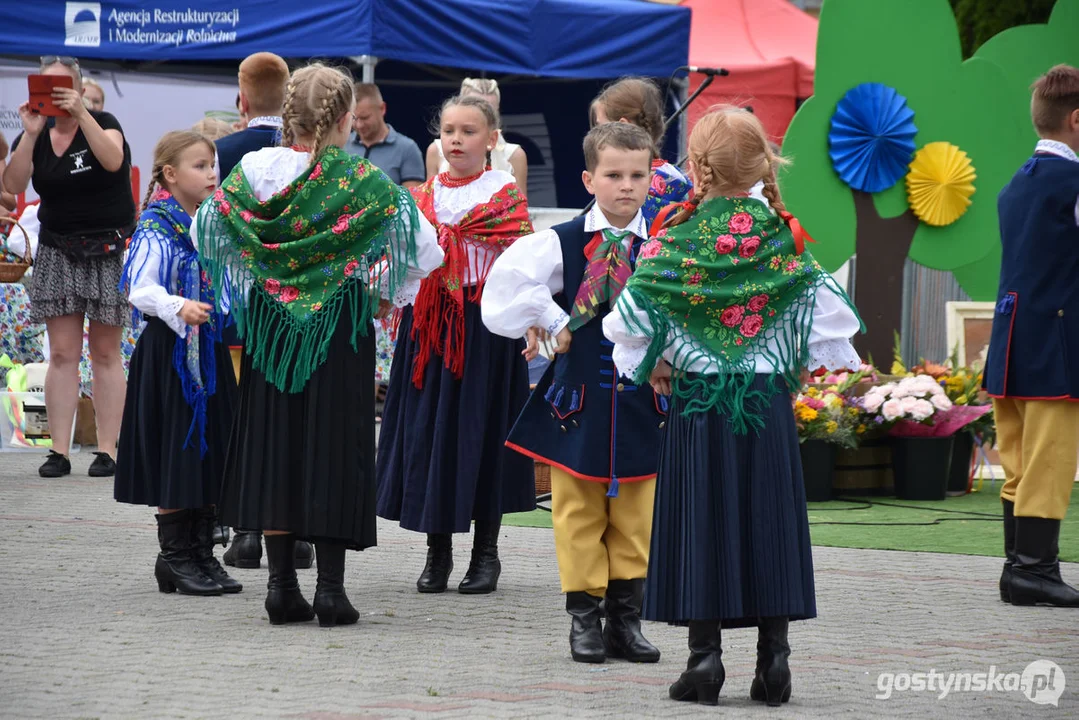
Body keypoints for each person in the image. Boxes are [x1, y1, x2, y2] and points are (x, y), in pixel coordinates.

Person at [603, 106, 862, 706]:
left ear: (696, 167)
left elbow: (629, 324)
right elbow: (826, 319)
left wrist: (665, 357)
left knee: (700, 519)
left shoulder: (678, 237)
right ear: (764, 166)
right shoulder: (781, 237)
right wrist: (784, 356)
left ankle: (704, 661)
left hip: (698, 403)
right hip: (765, 402)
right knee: (769, 518)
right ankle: (775, 662)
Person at [196, 63, 443, 626]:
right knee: (336, 447)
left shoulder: (256, 168)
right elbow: (424, 248)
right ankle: (330, 590)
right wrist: (380, 289)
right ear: (345, 120)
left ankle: (282, 587)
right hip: (337, 326)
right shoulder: (360, 180)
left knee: (275, 444)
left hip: (272, 327)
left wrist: (262, 271)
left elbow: (206, 227)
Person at [483, 122, 664, 664]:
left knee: (637, 514)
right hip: (576, 400)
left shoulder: (663, 243)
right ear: (589, 179)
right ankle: (583, 620)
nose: (625, 186)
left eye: (637, 175)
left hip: (640, 401)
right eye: (613, 175)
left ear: (652, 178)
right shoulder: (559, 241)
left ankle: (625, 622)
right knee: (576, 512)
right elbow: (509, 286)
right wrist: (556, 319)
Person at [377, 94, 536, 596]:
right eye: (449, 130)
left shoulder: (504, 196)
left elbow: (525, 266)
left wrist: (534, 320)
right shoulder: (422, 197)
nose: (456, 140)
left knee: (483, 435)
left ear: (491, 140)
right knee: (432, 436)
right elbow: (402, 257)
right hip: (429, 330)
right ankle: (437, 551)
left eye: (468, 131)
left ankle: (486, 554)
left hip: (485, 329)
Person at [114, 130, 240, 597]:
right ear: (170, 175)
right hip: (169, 356)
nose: (212, 174)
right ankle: (174, 555)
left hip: (207, 352)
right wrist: (176, 306)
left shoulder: (211, 223)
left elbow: (228, 277)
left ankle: (202, 552)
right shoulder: (155, 225)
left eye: (213, 165)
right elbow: (139, 288)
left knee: (210, 452)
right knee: (177, 451)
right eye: (200, 166)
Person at [3, 55, 136, 479]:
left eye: (63, 85)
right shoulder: (39, 134)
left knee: (104, 351)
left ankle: (109, 449)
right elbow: (13, 185)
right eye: (45, 86)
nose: (55, 93)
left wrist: (82, 114)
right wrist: (29, 133)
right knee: (62, 353)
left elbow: (113, 160)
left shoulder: (105, 120)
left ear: (78, 88)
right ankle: (58, 451)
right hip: (57, 248)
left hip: (106, 248)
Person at [210, 52, 312, 569]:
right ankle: (296, 532)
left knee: (249, 416)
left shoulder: (227, 151)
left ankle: (248, 529)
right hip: (303, 305)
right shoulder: (314, 153)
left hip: (242, 305)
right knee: (296, 417)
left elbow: (214, 229)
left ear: (242, 98)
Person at [984, 64, 1079, 609]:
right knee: (1050, 460)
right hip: (1056, 341)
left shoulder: (1015, 183)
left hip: (1011, 340)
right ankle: (1035, 571)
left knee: (1020, 459)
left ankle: (1018, 568)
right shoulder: (1073, 185)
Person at [590, 77, 691, 229]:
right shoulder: (674, 175)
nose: (595, 134)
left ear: (622, 126)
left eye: (600, 127)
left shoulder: (622, 188)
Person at [426, 78, 528, 196]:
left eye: (489, 110)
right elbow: (428, 204)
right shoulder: (435, 150)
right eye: (473, 105)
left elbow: (520, 207)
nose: (482, 113)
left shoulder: (514, 154)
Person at [345, 83, 425, 189]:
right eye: (354, 118)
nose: (359, 125)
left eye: (365, 118)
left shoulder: (407, 149)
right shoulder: (343, 144)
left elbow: (413, 199)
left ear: (382, 109)